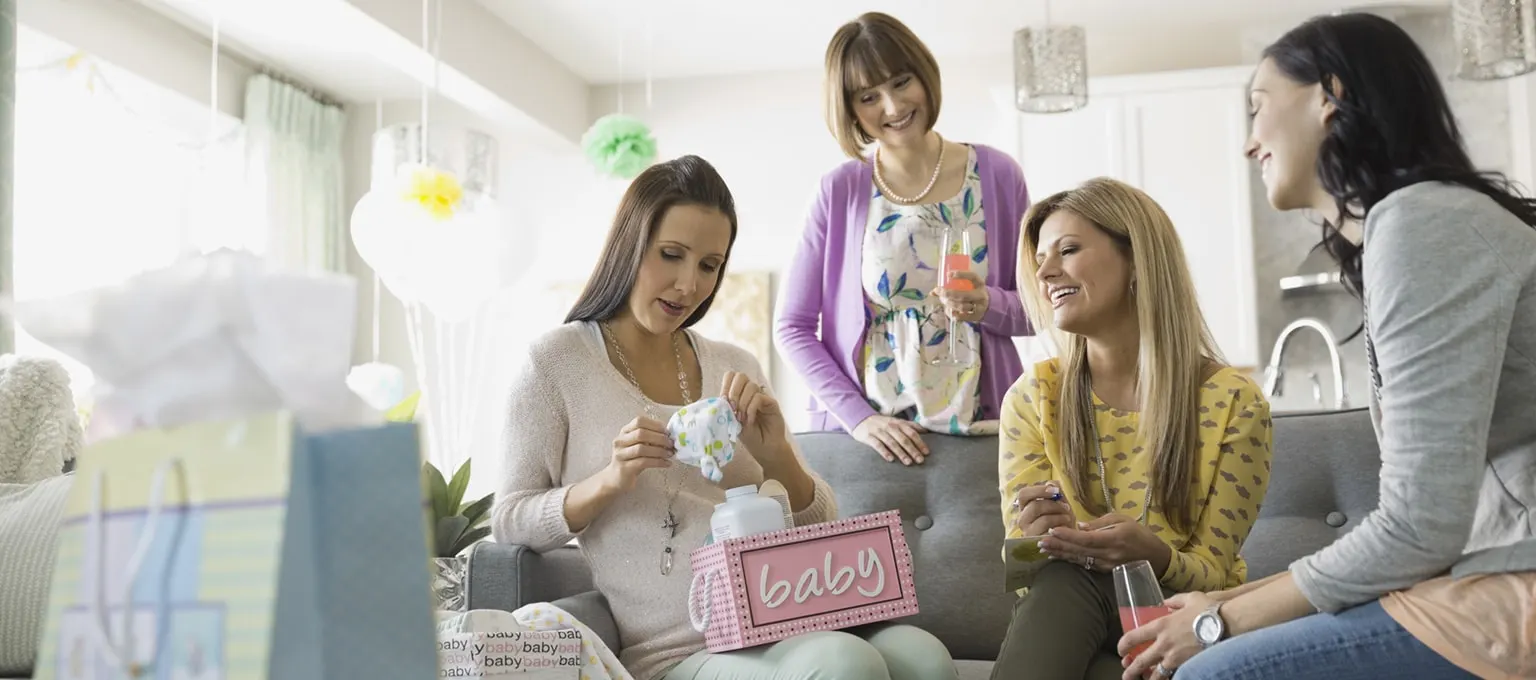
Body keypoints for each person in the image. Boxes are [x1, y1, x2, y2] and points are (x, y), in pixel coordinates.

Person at [1118, 13, 1536, 680]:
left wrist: (1214, 624)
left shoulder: (1424, 224)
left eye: (1257, 107)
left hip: (1514, 591)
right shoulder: (1423, 222)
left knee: (1208, 674)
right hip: (1487, 578)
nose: (1249, 144)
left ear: (1329, 95)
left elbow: (1418, 529)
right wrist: (1224, 601)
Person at [491, 155, 957, 680]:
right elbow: (509, 519)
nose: (688, 285)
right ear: (629, 244)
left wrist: (777, 453)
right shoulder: (555, 364)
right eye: (671, 255)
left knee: (923, 655)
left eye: (709, 266)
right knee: (842, 663)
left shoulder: (735, 365)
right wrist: (608, 481)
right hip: (679, 650)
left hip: (791, 618)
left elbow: (819, 524)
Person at [993, 178, 1274, 680]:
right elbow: (1024, 577)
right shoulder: (1034, 398)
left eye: (1069, 250)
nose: (1045, 272)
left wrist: (1154, 555)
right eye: (1040, 260)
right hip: (1068, 608)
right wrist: (1035, 540)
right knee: (1061, 580)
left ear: (1138, 259)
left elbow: (1213, 570)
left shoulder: (1233, 402)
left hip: (1182, 613)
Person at [775, 11, 1034, 465]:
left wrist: (987, 304)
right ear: (850, 109)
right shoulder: (839, 191)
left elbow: (1040, 307)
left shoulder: (997, 175)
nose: (892, 108)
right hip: (873, 443)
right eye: (868, 96)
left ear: (924, 75)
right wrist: (858, 418)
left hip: (986, 434)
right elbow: (792, 328)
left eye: (901, 82)